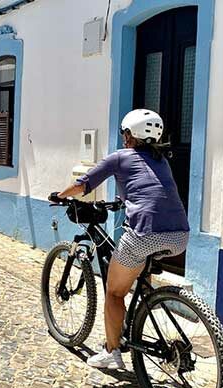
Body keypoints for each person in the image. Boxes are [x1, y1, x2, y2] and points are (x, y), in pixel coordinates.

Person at [50, 109, 189, 370]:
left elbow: (84, 184)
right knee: (136, 271)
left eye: (125, 133)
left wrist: (60, 195)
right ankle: (135, 322)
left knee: (114, 293)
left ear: (129, 136)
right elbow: (151, 192)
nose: (124, 138)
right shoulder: (162, 160)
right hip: (180, 236)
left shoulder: (121, 157)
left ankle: (111, 351)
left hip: (144, 235)